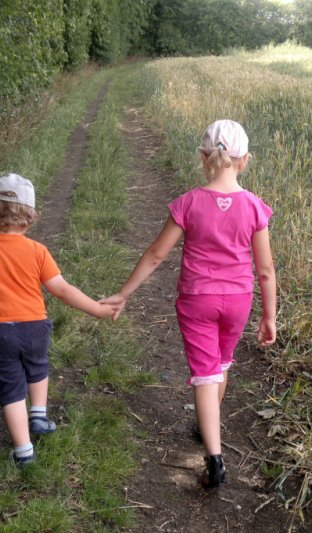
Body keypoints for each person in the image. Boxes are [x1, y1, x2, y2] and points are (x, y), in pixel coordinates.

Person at [101, 120, 276, 488]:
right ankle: (209, 424)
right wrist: (269, 316)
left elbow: (154, 255)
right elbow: (265, 271)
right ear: (245, 160)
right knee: (221, 363)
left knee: (205, 373)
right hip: (239, 300)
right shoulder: (256, 208)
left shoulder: (189, 203)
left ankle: (214, 457)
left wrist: (124, 292)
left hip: (198, 300)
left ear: (203, 157)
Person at [0, 173, 116, 468]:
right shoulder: (37, 251)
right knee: (37, 367)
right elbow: (62, 290)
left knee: (10, 389)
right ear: (30, 216)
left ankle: (23, 450)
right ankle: (38, 412)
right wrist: (97, 309)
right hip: (34, 328)